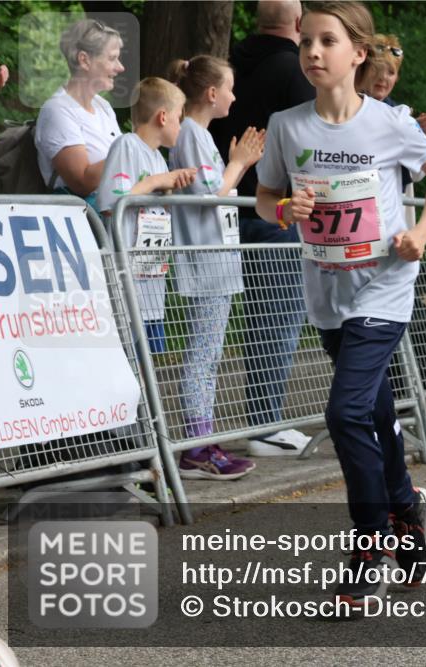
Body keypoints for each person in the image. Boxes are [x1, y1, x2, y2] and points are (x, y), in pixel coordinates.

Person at [253, 1, 426, 607]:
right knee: (374, 412)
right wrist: (286, 210)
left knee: (344, 414)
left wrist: (420, 233)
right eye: (305, 42)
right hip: (329, 293)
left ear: (358, 53)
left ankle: (370, 548)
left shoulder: (390, 123)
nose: (312, 52)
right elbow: (264, 199)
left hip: (385, 287)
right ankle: (407, 514)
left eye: (327, 42)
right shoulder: (287, 125)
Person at [95, 79, 258, 481]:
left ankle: (142, 454)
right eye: (179, 117)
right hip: (128, 282)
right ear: (163, 116)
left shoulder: (155, 157)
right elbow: (112, 203)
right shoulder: (128, 147)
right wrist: (156, 185)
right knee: (130, 369)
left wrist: (167, 183)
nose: (181, 125)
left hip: (152, 284)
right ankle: (128, 454)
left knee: (143, 369)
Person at [208, 0, 316, 455]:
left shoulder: (232, 67)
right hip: (277, 212)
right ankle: (265, 424)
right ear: (297, 24)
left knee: (226, 327)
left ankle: (220, 427)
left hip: (225, 212)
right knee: (277, 322)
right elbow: (309, 147)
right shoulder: (295, 72)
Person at [166, 56, 268, 472]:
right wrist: (239, 164)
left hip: (216, 259)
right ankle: (197, 444)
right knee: (203, 356)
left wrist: (235, 165)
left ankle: (203, 441)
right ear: (211, 93)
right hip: (205, 258)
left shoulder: (198, 135)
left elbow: (215, 189)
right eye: (228, 88)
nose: (234, 95)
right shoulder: (191, 134)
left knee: (209, 356)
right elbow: (211, 195)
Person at [35, 18, 125, 208]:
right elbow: (82, 182)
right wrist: (132, 146)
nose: (120, 67)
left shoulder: (104, 107)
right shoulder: (58, 110)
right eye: (112, 58)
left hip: (114, 219)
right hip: (84, 226)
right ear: (84, 60)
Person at [360, 33, 426, 135]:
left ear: (397, 77)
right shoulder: (345, 106)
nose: (383, 77)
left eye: (390, 72)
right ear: (362, 70)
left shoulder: (399, 114)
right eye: (376, 69)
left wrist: (413, 132)